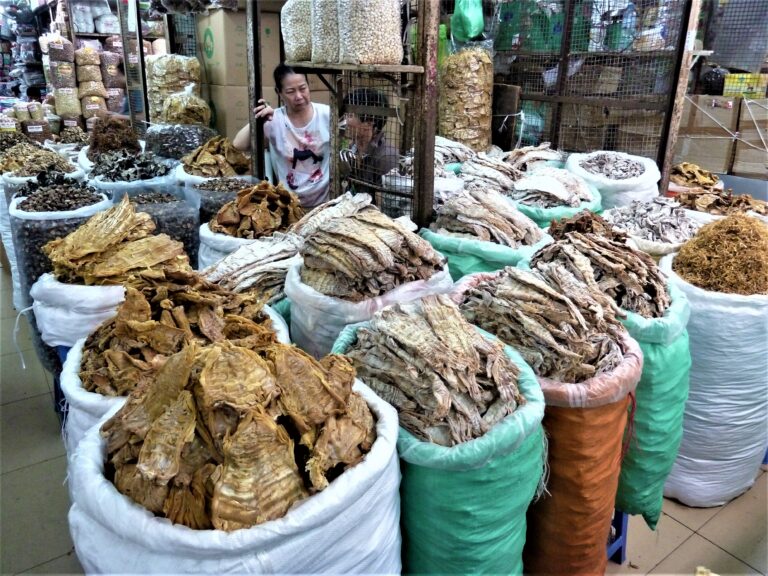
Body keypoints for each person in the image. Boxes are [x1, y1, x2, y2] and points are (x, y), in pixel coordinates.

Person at [233, 64, 330, 208]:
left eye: (303, 88)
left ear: (309, 87)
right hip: (289, 207)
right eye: (290, 91)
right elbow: (238, 144)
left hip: (324, 205)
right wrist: (257, 121)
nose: (298, 96)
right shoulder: (274, 119)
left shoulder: (326, 114)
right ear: (279, 92)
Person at [340, 88, 399, 202]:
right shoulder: (351, 150)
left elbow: (386, 207)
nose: (345, 121)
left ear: (369, 122)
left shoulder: (386, 156)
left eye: (350, 115)